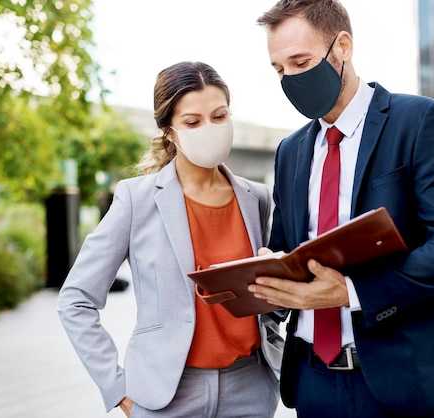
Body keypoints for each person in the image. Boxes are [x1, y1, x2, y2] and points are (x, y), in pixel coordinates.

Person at [247, 1, 434, 417]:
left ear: (342, 47)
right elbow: (287, 250)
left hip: (401, 379)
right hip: (313, 381)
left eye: (300, 62)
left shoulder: (421, 121)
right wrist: (272, 278)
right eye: (279, 69)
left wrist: (351, 292)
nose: (289, 79)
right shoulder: (290, 152)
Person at [57, 61, 283, 418]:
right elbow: (75, 300)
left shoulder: (257, 198)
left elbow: (272, 297)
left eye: (220, 116)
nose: (210, 129)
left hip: (250, 390)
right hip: (167, 396)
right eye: (193, 122)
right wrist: (117, 389)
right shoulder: (137, 199)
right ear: (169, 131)